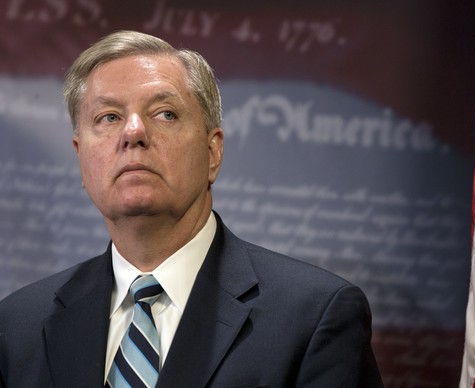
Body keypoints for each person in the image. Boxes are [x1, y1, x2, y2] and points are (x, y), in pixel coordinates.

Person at [0, 30, 383, 387]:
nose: (133, 132)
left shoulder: (315, 317)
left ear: (213, 152)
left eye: (165, 113)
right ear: (81, 157)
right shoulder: (17, 327)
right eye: (109, 117)